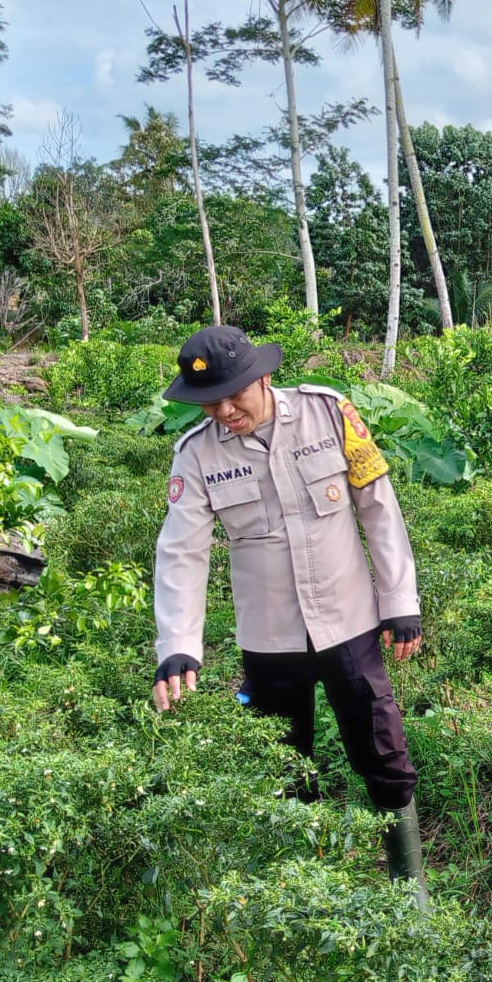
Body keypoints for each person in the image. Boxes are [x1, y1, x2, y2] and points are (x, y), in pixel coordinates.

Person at [149, 324, 429, 904]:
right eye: (210, 402)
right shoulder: (196, 455)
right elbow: (181, 552)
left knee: (381, 745)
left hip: (349, 622)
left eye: (235, 395)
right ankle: (306, 894)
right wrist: (178, 644)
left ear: (263, 376)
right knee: (283, 763)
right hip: (269, 637)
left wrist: (399, 601)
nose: (225, 410)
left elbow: (378, 508)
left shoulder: (330, 415)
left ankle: (411, 889)